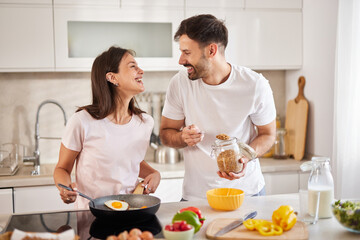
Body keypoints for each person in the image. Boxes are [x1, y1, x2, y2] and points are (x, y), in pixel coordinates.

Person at [159, 14, 276, 201]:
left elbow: (268, 134)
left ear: (211, 50)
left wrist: (245, 157)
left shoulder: (255, 85)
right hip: (196, 196)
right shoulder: (180, 84)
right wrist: (182, 137)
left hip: (248, 193)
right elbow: (166, 133)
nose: (181, 60)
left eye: (187, 53)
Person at [53, 46, 161, 209]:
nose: (141, 71)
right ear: (112, 77)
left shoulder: (144, 122)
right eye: (132, 66)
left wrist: (154, 173)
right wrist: (65, 187)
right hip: (92, 217)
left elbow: (129, 160)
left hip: (130, 212)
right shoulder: (82, 121)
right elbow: (62, 168)